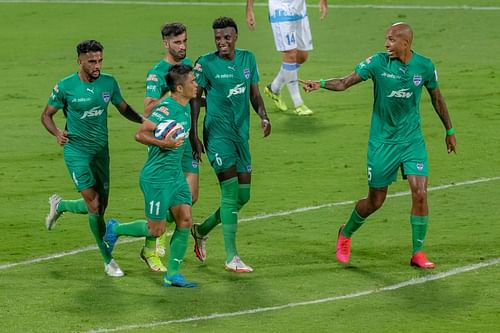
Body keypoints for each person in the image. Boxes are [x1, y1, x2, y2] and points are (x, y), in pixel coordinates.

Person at [300, 22, 457, 269]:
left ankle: (417, 252)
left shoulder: (425, 66)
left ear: (406, 43)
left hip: (412, 140)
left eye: (392, 40)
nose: (386, 44)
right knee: (375, 201)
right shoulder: (377, 63)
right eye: (386, 39)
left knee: (420, 193)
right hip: (382, 143)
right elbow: (344, 82)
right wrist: (319, 83)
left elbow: (436, 96)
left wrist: (449, 130)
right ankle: (346, 232)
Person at [41, 40, 144, 277]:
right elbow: (46, 115)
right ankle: (108, 260)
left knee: (100, 206)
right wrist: (57, 133)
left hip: (101, 152)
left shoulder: (109, 83)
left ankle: (61, 205)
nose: (97, 65)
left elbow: (124, 108)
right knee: (94, 205)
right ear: (79, 61)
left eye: (100, 60)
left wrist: (144, 122)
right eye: (91, 61)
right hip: (77, 152)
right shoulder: (66, 86)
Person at [103, 64, 198, 288]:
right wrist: (162, 143)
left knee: (185, 220)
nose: (196, 85)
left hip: (174, 176)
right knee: (157, 230)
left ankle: (172, 274)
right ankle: (115, 229)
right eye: (192, 81)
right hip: (156, 178)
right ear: (179, 87)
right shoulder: (164, 109)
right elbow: (140, 134)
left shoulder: (184, 106)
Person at [190, 17, 271, 273]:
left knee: (243, 197)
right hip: (217, 136)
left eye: (226, 38)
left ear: (235, 37)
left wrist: (264, 116)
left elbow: (254, 94)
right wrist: (194, 133)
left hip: (240, 136)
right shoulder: (205, 63)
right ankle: (231, 256)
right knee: (229, 192)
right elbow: (194, 99)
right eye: (218, 38)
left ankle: (201, 230)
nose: (222, 42)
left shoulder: (248, 59)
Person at [140, 22, 200, 273]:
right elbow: (148, 109)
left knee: (191, 196)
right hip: (167, 145)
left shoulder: (188, 69)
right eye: (177, 42)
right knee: (167, 207)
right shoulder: (158, 73)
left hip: (186, 141)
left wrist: (196, 135)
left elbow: (193, 104)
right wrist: (174, 91)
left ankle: (160, 238)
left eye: (184, 40)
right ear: (166, 43)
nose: (182, 46)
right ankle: (153, 243)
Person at [246, 0, 328, 116]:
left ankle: (274, 88)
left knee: (302, 56)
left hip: (299, 9)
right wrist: (249, 9)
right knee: (290, 54)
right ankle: (298, 104)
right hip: (280, 9)